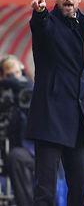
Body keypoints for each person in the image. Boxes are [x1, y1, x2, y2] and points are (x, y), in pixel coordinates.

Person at [27, 0, 84, 206]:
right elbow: (40, 27)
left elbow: (82, 66)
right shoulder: (47, 22)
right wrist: (39, 13)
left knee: (79, 188)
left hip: (78, 117)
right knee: (45, 190)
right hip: (50, 116)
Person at [1, 57, 34, 206]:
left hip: (33, 151)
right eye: (10, 75)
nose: (16, 78)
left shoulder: (31, 92)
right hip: (8, 151)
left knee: (16, 157)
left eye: (18, 72)